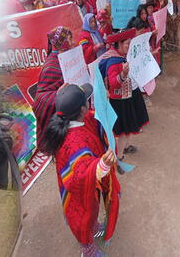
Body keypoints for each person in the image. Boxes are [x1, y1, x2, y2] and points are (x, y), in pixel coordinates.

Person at [39, 83, 120, 257]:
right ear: (83, 109)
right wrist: (103, 165)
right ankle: (88, 250)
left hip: (83, 188)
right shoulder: (74, 142)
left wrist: (104, 104)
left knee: (91, 210)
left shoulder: (71, 122)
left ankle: (94, 227)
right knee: (82, 218)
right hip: (78, 192)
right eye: (88, 101)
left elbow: (96, 118)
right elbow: (80, 176)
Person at [99, 29, 149, 164]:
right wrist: (123, 75)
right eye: (127, 43)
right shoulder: (113, 61)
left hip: (128, 96)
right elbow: (113, 84)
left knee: (129, 126)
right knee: (124, 130)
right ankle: (119, 158)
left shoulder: (122, 56)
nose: (129, 46)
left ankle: (126, 147)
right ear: (119, 44)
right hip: (120, 102)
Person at [33, 26, 73, 147]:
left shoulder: (65, 58)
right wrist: (57, 94)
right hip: (57, 113)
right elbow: (41, 97)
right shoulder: (51, 65)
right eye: (70, 39)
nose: (73, 42)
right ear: (63, 42)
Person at [0, 113, 14, 190]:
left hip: (1, 147)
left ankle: (3, 185)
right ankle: (16, 186)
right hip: (13, 146)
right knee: (15, 167)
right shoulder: (13, 124)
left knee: (2, 166)